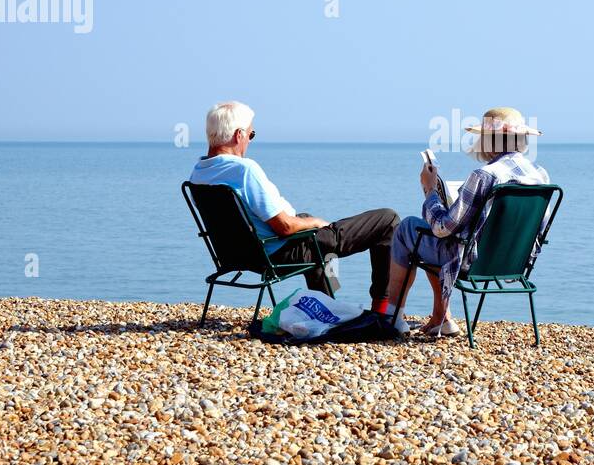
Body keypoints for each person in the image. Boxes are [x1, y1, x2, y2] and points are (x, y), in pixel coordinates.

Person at [189, 101, 400, 315]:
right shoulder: (244, 170)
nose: (249, 142)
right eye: (251, 135)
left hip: (237, 254)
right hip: (278, 252)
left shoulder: (199, 173)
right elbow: (285, 228)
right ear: (239, 135)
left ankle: (328, 304)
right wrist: (315, 223)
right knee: (387, 221)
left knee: (311, 226)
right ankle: (382, 309)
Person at [389, 107, 550, 337]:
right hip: (514, 263)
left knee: (408, 228)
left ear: (488, 140)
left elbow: (443, 228)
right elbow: (538, 230)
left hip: (471, 263)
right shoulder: (540, 176)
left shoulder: (484, 176)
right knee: (442, 238)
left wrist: (430, 191)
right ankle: (441, 318)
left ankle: (392, 317)